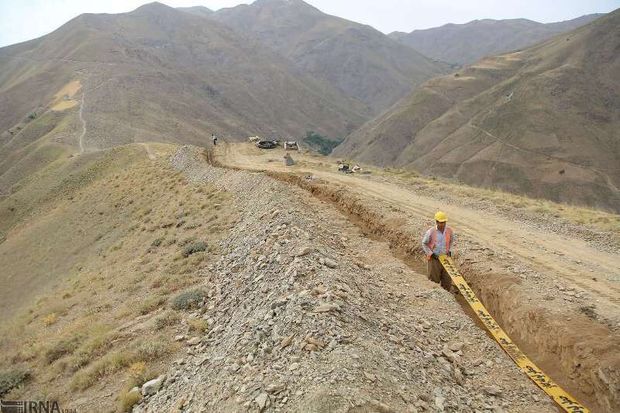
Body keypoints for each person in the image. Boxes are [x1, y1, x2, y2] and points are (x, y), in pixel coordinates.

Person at [421, 211, 455, 291]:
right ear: (436, 222)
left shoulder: (449, 231)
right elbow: (424, 243)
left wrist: (448, 250)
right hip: (434, 259)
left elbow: (451, 241)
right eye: (440, 222)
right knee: (433, 280)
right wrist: (431, 254)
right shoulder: (431, 232)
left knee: (447, 279)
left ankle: (447, 296)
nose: (442, 224)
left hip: (445, 258)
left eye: (444, 222)